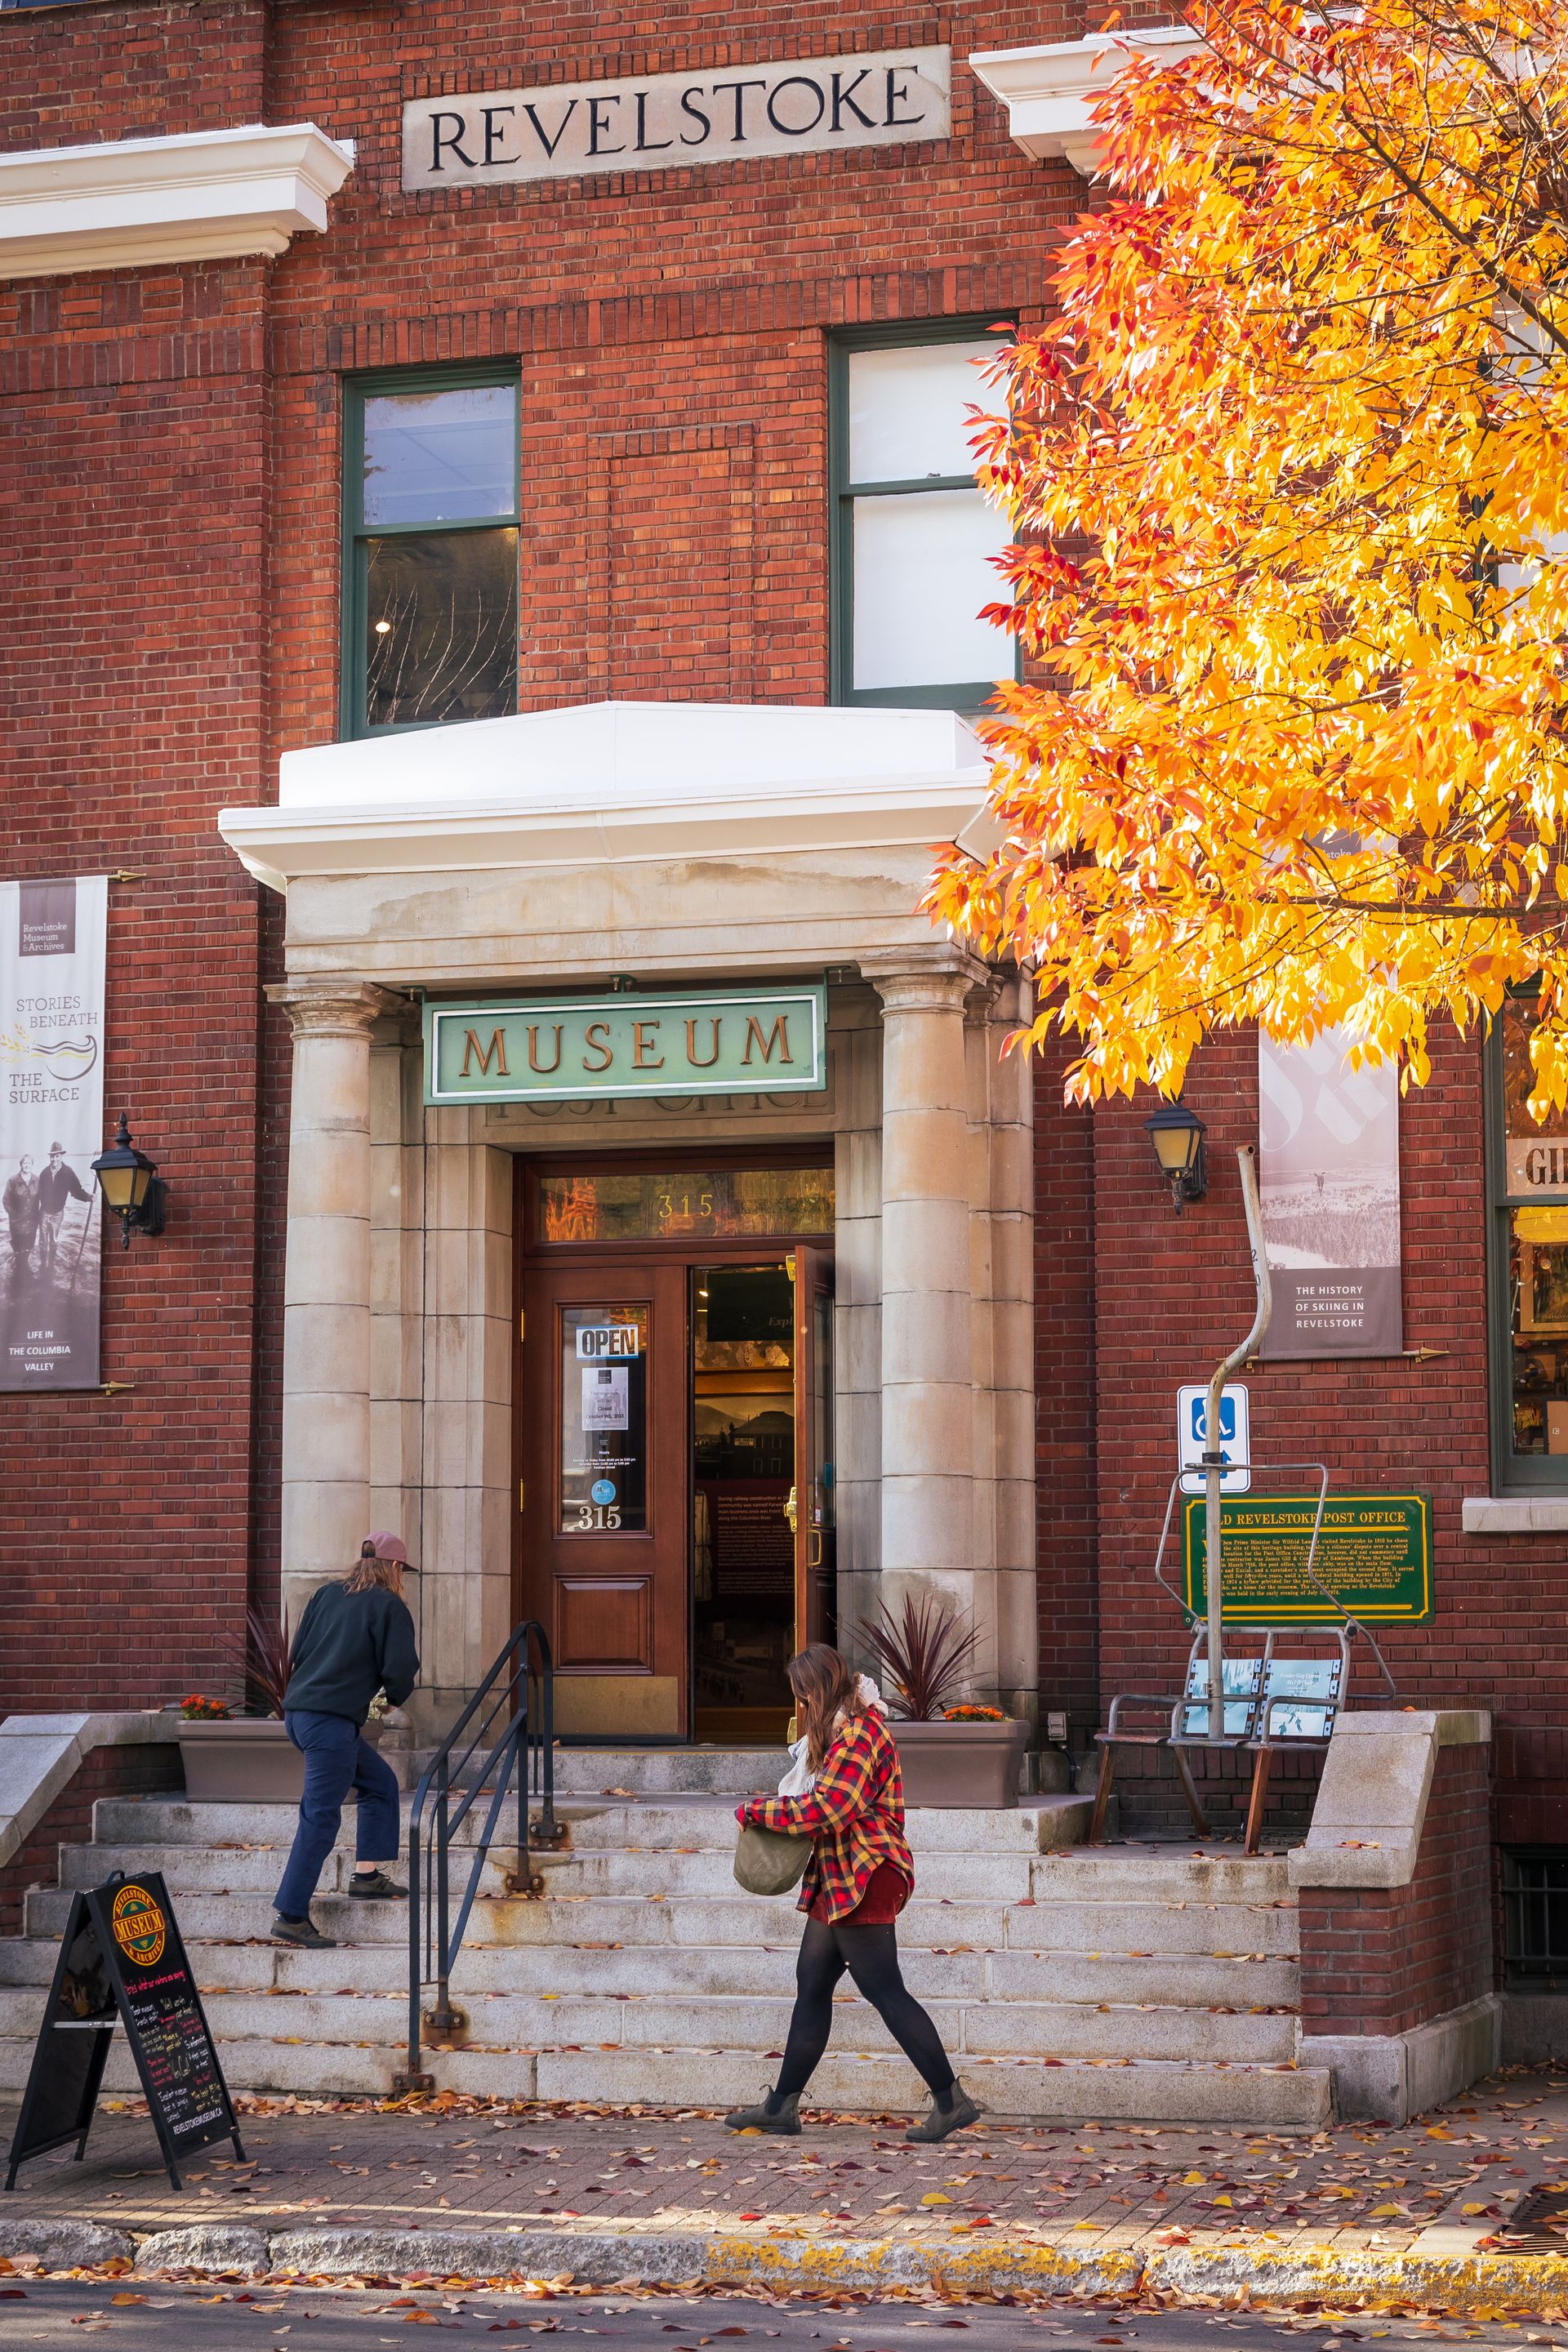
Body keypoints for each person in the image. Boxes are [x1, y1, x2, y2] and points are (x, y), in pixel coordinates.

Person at [724, 1642, 978, 2143]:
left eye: (803, 1696)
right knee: (813, 1983)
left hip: (866, 1874)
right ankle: (781, 2106)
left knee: (884, 1990)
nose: (801, 1706)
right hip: (841, 1874)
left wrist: (757, 1811)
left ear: (819, 1691)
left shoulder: (861, 1735)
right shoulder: (846, 1732)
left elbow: (829, 1809)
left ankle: (950, 2101)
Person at [272, 1532, 420, 1950]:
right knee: (320, 1816)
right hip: (330, 1725)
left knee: (380, 1785)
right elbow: (400, 1669)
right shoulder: (390, 1606)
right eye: (402, 1570)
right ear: (393, 1568)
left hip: (300, 1715)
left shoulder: (325, 1595)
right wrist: (385, 1704)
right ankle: (291, 1915)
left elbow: (298, 1650)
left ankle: (367, 1876)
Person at [36, 1143, 91, 1279]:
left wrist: (89, 1197)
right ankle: (43, 1265)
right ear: (50, 1158)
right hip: (44, 1213)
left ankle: (52, 1265)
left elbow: (77, 1191)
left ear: (61, 1156)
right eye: (52, 1157)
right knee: (43, 1241)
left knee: (54, 1240)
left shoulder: (68, 1172)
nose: (54, 1159)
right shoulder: (44, 1173)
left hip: (57, 1214)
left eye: (57, 1156)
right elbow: (38, 1195)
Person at [3, 1156, 38, 1281]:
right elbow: (6, 1201)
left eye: (29, 1162)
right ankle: (19, 1265)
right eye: (25, 1163)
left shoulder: (37, 1179)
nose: (27, 1165)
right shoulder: (12, 1181)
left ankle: (25, 1264)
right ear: (21, 1165)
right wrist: (14, 1215)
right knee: (17, 1245)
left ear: (33, 1165)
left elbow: (43, 1197)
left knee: (29, 1244)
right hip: (17, 1222)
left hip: (32, 1221)